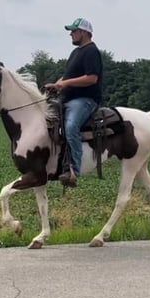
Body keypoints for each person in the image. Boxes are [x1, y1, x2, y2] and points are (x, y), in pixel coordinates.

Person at [45, 17, 103, 187]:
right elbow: (68, 76)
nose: (71, 34)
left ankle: (74, 170)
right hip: (68, 98)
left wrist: (65, 83)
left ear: (84, 32)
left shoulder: (91, 51)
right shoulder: (76, 52)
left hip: (85, 100)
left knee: (70, 126)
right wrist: (57, 85)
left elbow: (92, 78)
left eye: (74, 31)